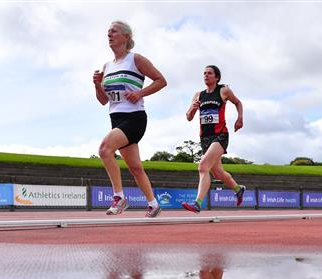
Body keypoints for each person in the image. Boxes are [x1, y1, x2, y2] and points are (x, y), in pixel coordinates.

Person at [93, 21, 167, 218]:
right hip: (116, 119)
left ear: (126, 37)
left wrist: (140, 93)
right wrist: (97, 85)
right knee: (135, 168)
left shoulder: (136, 59)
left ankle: (119, 197)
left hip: (134, 118)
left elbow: (161, 80)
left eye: (114, 31)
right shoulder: (107, 66)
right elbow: (103, 101)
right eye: (108, 31)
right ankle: (153, 204)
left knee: (104, 149)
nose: (109, 34)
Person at [182, 65, 245, 213]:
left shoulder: (223, 90)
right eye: (204, 73)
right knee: (217, 173)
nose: (206, 75)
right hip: (205, 138)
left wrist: (239, 118)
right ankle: (238, 189)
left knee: (203, 166)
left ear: (216, 77)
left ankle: (197, 203)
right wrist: (192, 108)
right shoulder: (198, 95)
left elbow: (238, 103)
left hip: (220, 135)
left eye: (209, 73)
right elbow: (188, 118)